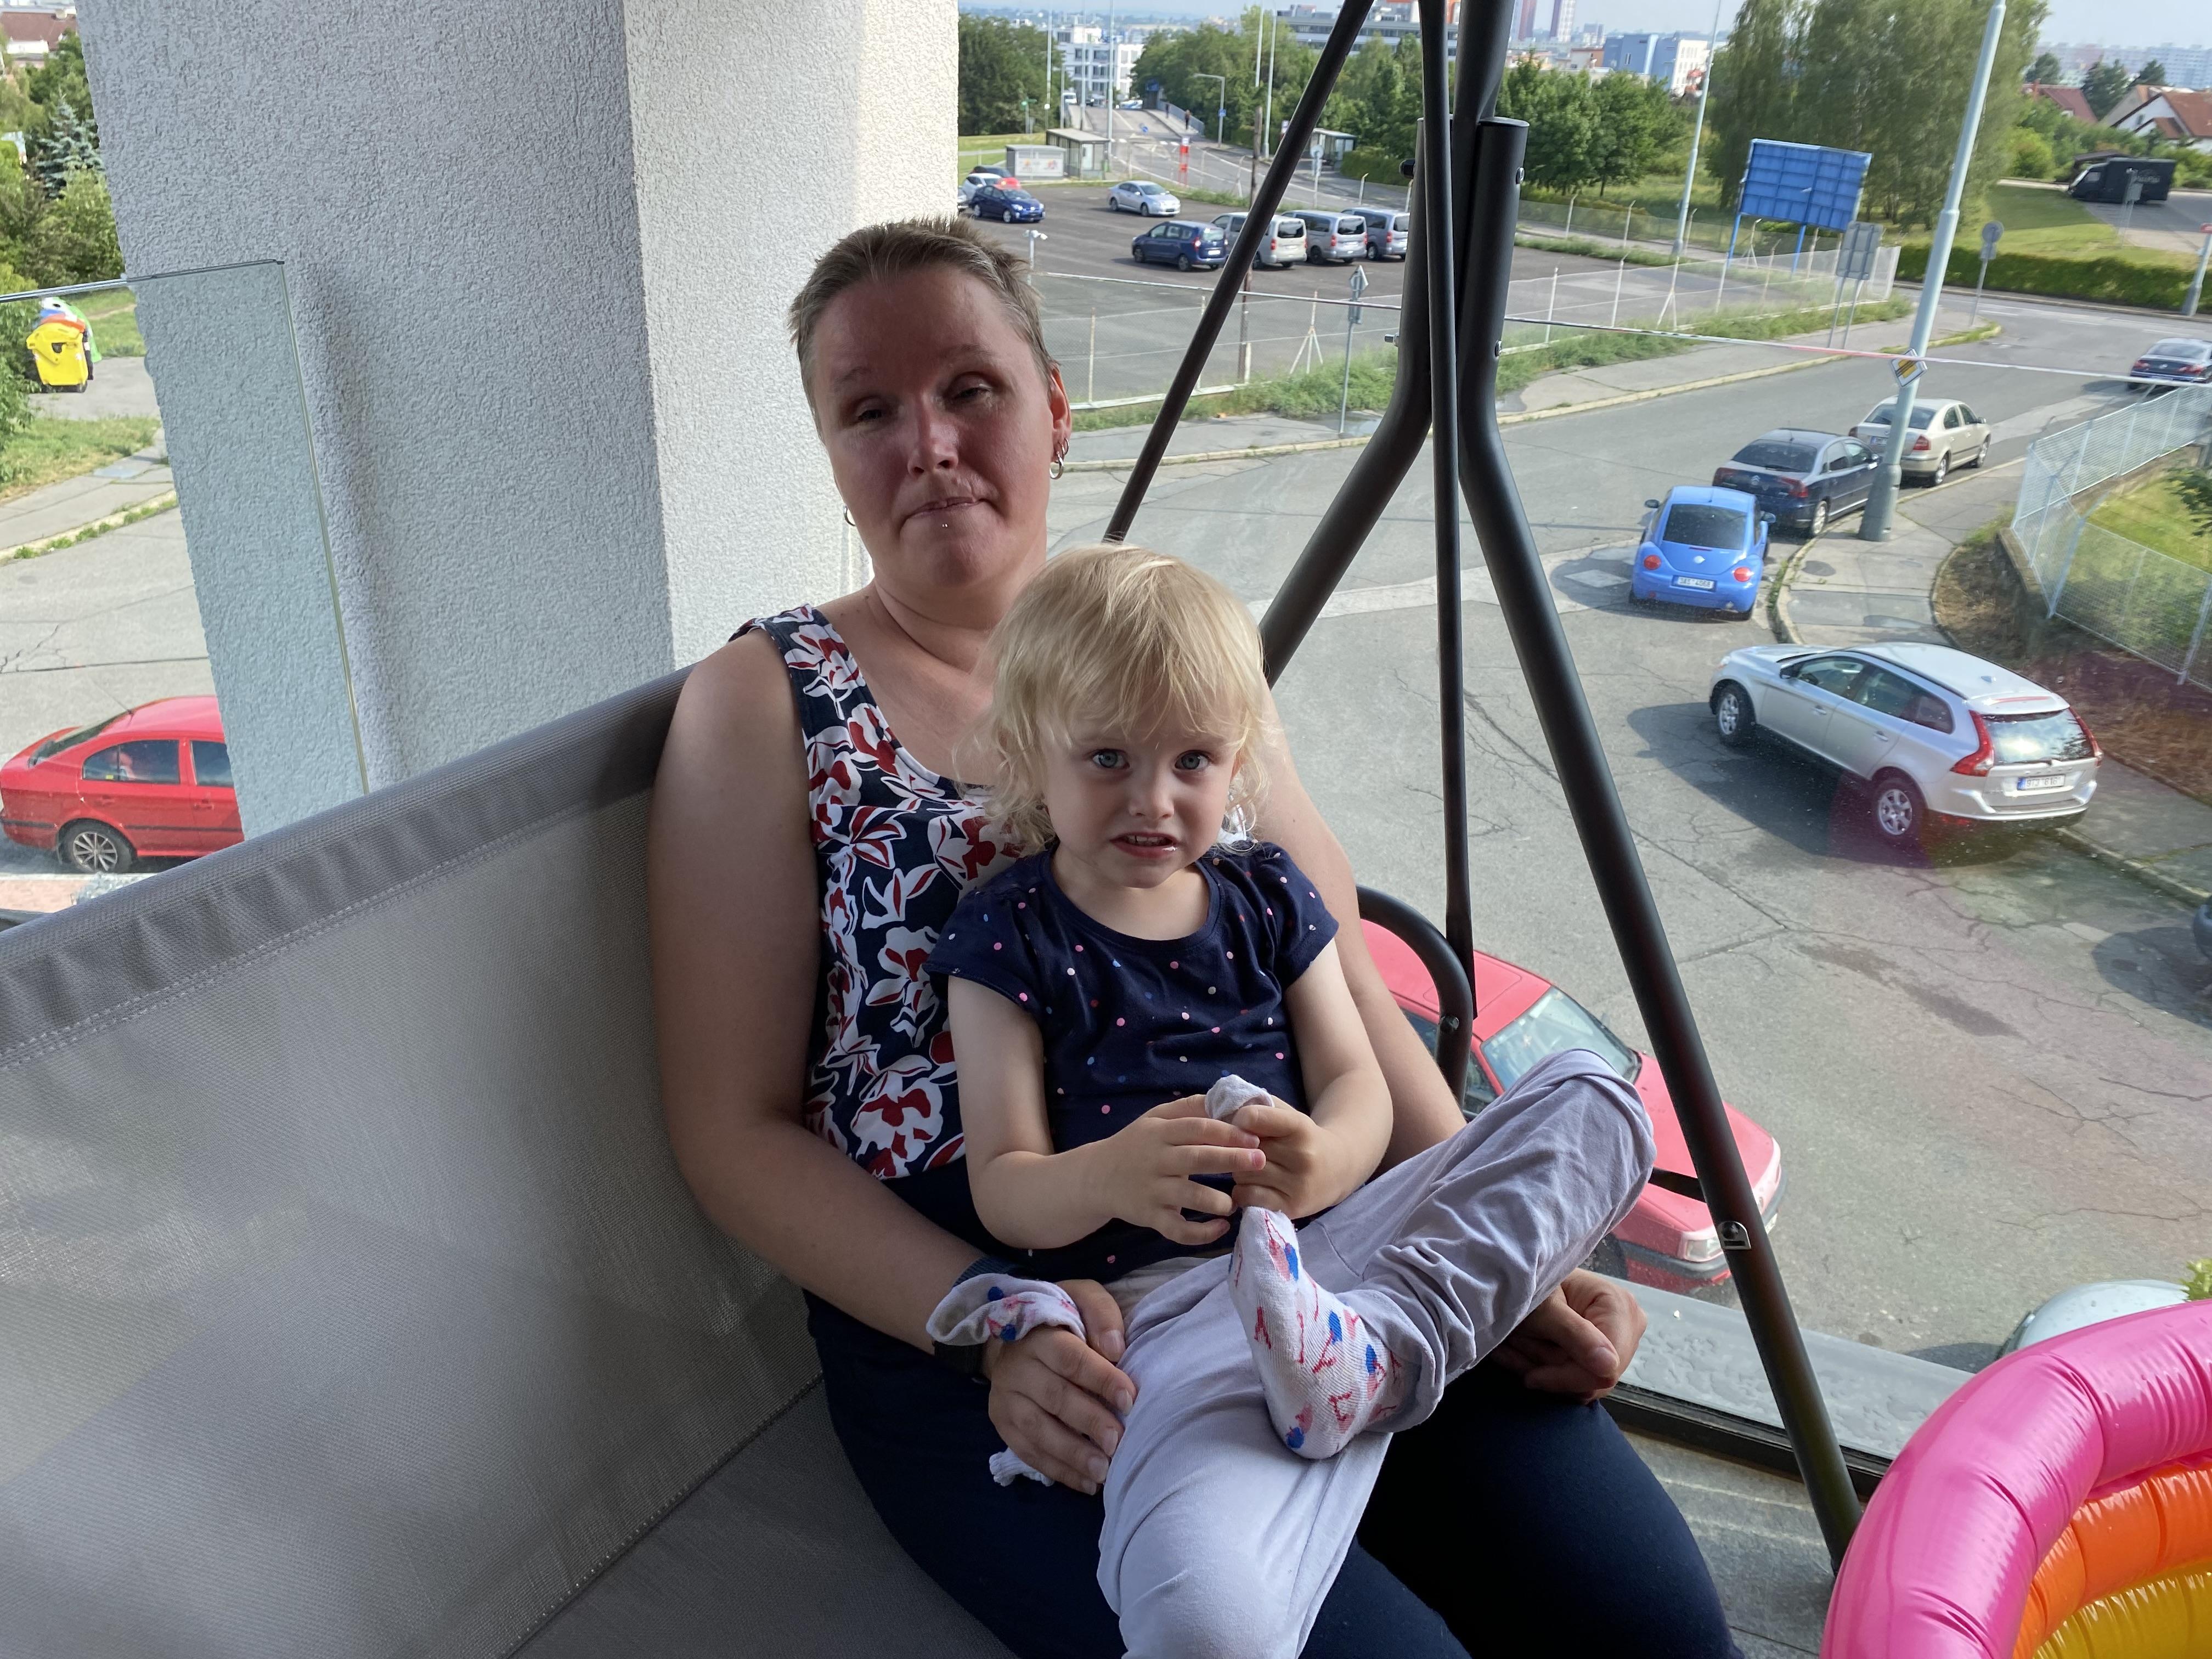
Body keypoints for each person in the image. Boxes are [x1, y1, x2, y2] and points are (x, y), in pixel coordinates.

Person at [648, 214, 1745, 1659]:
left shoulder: (1169, 644)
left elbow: (1340, 976)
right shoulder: (765, 702)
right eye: (869, 411)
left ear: (1053, 408)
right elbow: (731, 1132)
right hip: (1038, 1342)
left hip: (1324, 1261)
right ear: (834, 454)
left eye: (970, 388)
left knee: (1653, 1620)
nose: (929, 443)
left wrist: (1483, 1242)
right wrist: (987, 1317)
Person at [927, 544, 1655, 1657]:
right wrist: (1112, 1174)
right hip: (1166, 1321)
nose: (1154, 799)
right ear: (1031, 751)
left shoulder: (1265, 893)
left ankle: (1373, 1356)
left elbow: (1359, 1078)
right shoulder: (1007, 934)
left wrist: (1328, 1160)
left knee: (1598, 1101)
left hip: (1344, 1261)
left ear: (1237, 763)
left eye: (1193, 760)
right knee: (1198, 1620)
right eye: (1109, 758)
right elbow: (1006, 1187)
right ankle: (1371, 1364)